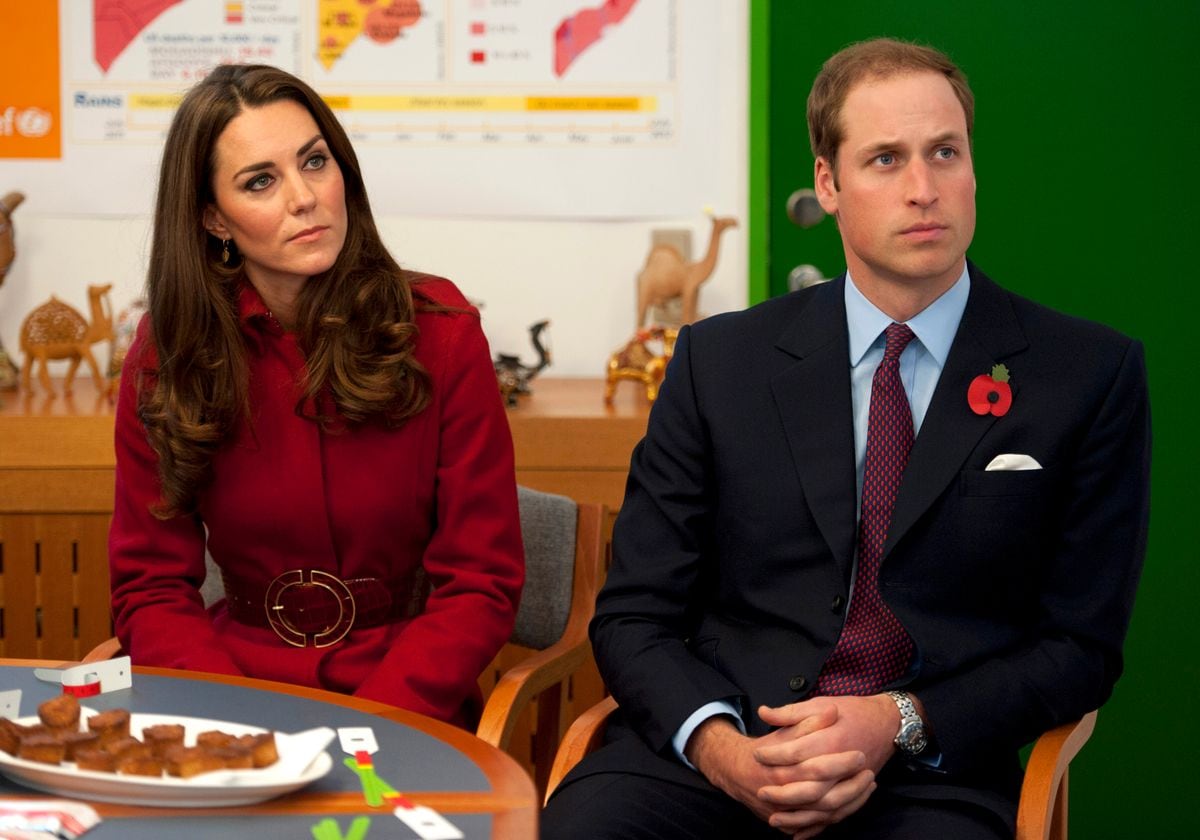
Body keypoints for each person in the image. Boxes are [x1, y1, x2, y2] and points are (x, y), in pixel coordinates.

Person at [542, 37, 1150, 839]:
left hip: (929, 774)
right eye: (886, 160)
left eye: (945, 152)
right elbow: (633, 614)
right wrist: (722, 749)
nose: (924, 189)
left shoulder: (1087, 374)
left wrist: (897, 720)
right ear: (827, 184)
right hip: (718, 752)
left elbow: (1079, 647)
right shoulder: (718, 363)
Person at [108, 64, 524, 729]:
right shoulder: (168, 352)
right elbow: (149, 585)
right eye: (260, 181)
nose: (304, 198)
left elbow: (482, 581)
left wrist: (375, 725)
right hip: (231, 694)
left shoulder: (441, 332)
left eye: (314, 161)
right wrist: (231, 727)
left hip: (407, 696)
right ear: (213, 218)